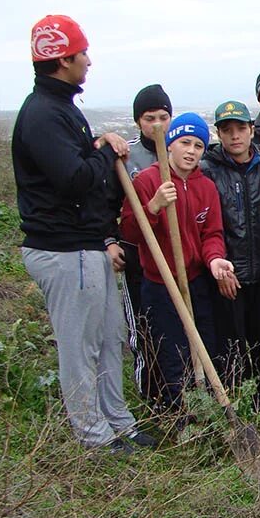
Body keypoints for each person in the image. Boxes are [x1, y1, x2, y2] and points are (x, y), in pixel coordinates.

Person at [12, 14, 152, 453]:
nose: (88, 62)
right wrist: (103, 151)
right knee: (81, 346)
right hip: (63, 248)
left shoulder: (62, 109)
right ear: (62, 60)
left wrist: (97, 147)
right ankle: (93, 436)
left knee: (111, 337)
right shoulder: (42, 116)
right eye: (82, 54)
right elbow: (73, 179)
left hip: (86, 247)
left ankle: (118, 422)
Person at [120, 113, 234, 412]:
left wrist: (215, 259)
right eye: (185, 142)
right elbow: (130, 232)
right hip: (161, 285)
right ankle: (180, 416)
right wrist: (154, 206)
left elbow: (212, 233)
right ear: (170, 143)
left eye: (198, 145)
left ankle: (209, 411)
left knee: (205, 345)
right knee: (173, 353)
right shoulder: (147, 181)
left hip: (196, 280)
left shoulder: (205, 186)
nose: (191, 151)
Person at [201, 101, 260, 412]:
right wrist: (220, 270)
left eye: (241, 128)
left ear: (252, 130)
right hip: (227, 277)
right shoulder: (206, 171)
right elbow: (205, 226)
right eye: (227, 130)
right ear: (219, 134)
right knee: (230, 347)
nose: (235, 136)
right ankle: (233, 409)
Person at [119, 84, 173, 405]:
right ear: (138, 121)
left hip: (174, 255)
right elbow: (107, 206)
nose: (157, 125)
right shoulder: (126, 157)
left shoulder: (182, 150)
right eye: (149, 117)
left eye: (163, 117)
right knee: (144, 327)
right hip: (138, 256)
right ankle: (152, 398)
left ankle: (181, 393)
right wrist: (110, 241)